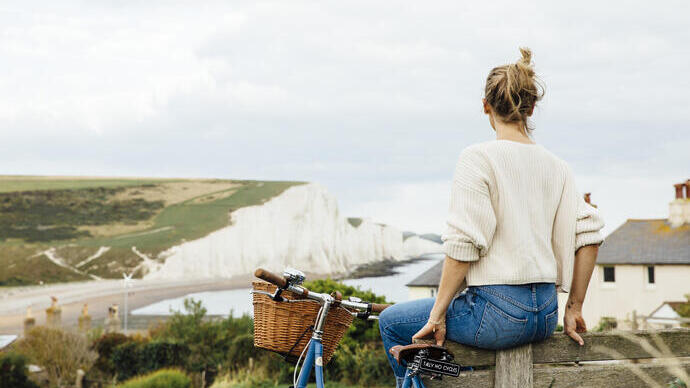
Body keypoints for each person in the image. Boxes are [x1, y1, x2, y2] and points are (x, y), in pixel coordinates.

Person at [378, 47, 604, 385]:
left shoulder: (477, 158)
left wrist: (438, 314)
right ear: (530, 108)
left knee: (392, 322)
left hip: (496, 315)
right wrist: (574, 307)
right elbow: (590, 234)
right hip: (545, 315)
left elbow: (464, 244)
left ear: (486, 106)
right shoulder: (558, 167)